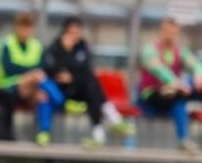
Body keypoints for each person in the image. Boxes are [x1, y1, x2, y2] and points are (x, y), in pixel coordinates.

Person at [38, 17, 134, 148]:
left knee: (91, 86)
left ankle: (99, 134)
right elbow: (50, 69)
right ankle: (112, 119)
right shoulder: (55, 48)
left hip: (80, 89)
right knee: (91, 84)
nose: (75, 36)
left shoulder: (82, 46)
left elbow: (85, 68)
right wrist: (65, 54)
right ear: (64, 32)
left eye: (77, 33)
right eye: (72, 33)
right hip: (64, 93)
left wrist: (71, 74)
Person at [138, 17, 202, 153]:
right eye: (166, 31)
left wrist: (199, 75)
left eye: (173, 32)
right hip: (151, 95)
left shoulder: (180, 51)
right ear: (160, 31)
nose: (169, 35)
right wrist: (177, 83)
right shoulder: (149, 50)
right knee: (179, 95)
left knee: (179, 100)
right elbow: (158, 69)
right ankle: (184, 140)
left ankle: (184, 141)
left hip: (173, 97)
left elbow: (198, 65)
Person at [0, 11, 53, 143]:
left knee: (43, 96)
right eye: (22, 26)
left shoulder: (36, 45)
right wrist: (29, 74)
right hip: (7, 86)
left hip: (30, 87)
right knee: (35, 84)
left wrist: (29, 73)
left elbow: (42, 67)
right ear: (15, 27)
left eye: (28, 27)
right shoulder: (5, 44)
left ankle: (44, 133)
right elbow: (9, 68)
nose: (25, 31)